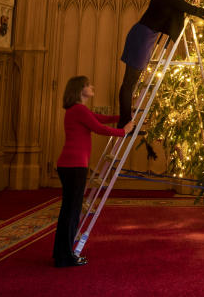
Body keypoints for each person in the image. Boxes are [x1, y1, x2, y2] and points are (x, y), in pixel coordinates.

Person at [118, 0, 204, 131]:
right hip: (141, 38)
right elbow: (190, 8)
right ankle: (124, 124)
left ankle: (125, 122)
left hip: (144, 36)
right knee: (129, 82)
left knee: (131, 82)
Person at [53, 76, 127, 268]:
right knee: (71, 212)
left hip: (71, 166)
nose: (91, 87)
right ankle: (65, 256)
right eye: (87, 85)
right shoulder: (78, 109)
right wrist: (124, 131)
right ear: (80, 90)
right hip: (73, 166)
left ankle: (62, 254)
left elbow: (98, 118)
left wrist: (121, 118)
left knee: (70, 211)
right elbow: (99, 128)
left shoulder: (78, 110)